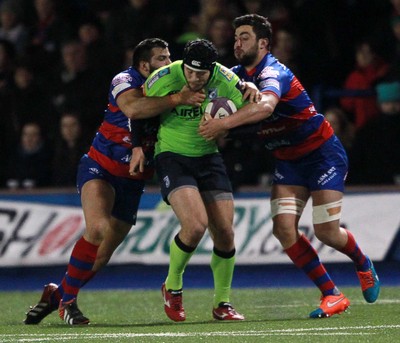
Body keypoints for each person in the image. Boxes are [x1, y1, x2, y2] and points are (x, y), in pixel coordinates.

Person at [199, 14, 381, 318]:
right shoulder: (231, 75)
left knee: (326, 232)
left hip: (322, 155)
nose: (237, 42)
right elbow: (206, 88)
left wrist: (224, 124)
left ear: (264, 43)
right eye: (235, 37)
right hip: (287, 160)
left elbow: (266, 106)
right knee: (283, 230)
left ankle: (363, 264)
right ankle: (332, 295)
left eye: (244, 37)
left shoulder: (274, 72)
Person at [24, 38, 205, 325]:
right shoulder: (124, 79)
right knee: (97, 229)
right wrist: (175, 100)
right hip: (101, 168)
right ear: (145, 65)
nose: (170, 64)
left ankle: (56, 295)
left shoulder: (175, 84)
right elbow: (133, 109)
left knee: (102, 255)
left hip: (132, 181)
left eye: (170, 57)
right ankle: (68, 304)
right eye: (162, 58)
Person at [137, 38, 260, 322]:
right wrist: (137, 145)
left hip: (208, 158)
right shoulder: (164, 77)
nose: (194, 78)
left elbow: (250, 112)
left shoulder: (228, 79)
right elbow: (137, 110)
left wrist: (226, 124)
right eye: (190, 72)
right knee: (194, 226)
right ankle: (173, 286)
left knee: (226, 233)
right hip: (172, 156)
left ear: (212, 70)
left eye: (201, 74)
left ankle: (222, 304)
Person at [348, 80, 400, 185]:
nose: (391, 107)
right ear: (380, 104)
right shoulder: (369, 130)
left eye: (396, 102)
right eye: (387, 103)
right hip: (376, 184)